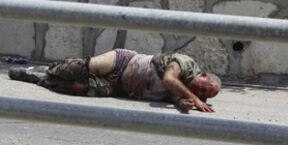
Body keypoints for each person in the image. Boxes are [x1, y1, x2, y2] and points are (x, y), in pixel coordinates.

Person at [8, 49, 221, 113]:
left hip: (119, 87)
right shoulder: (187, 64)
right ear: (202, 75)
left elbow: (177, 99)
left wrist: (185, 104)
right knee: (83, 67)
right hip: (123, 62)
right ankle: (49, 69)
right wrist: (194, 98)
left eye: (205, 96)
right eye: (203, 89)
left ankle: (36, 79)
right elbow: (168, 78)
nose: (200, 94)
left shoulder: (185, 92)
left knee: (77, 87)